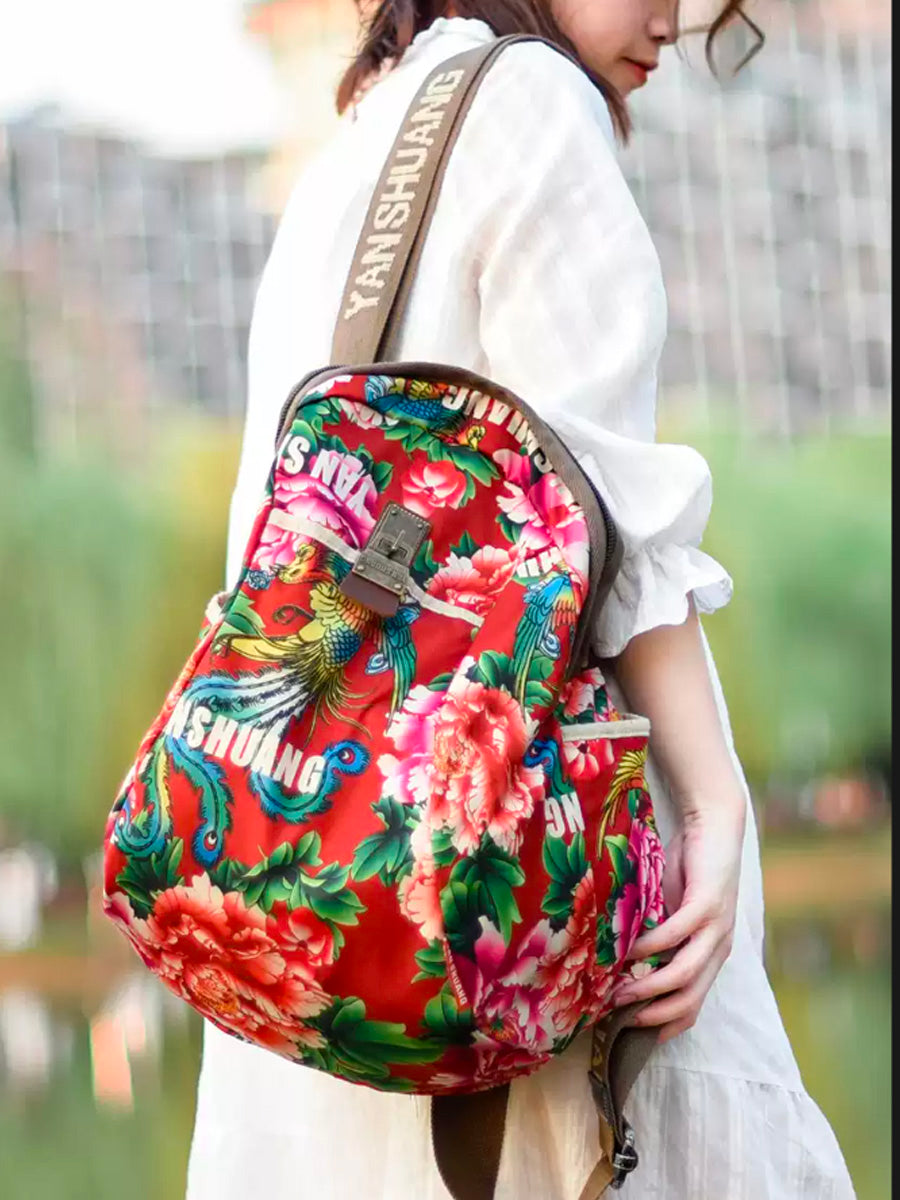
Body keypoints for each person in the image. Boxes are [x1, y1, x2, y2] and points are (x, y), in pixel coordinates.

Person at [186, 3, 855, 1197]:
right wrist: (716, 808)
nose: (676, 19)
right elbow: (614, 518)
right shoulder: (537, 104)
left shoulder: (352, 146)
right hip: (517, 915)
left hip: (330, 929)